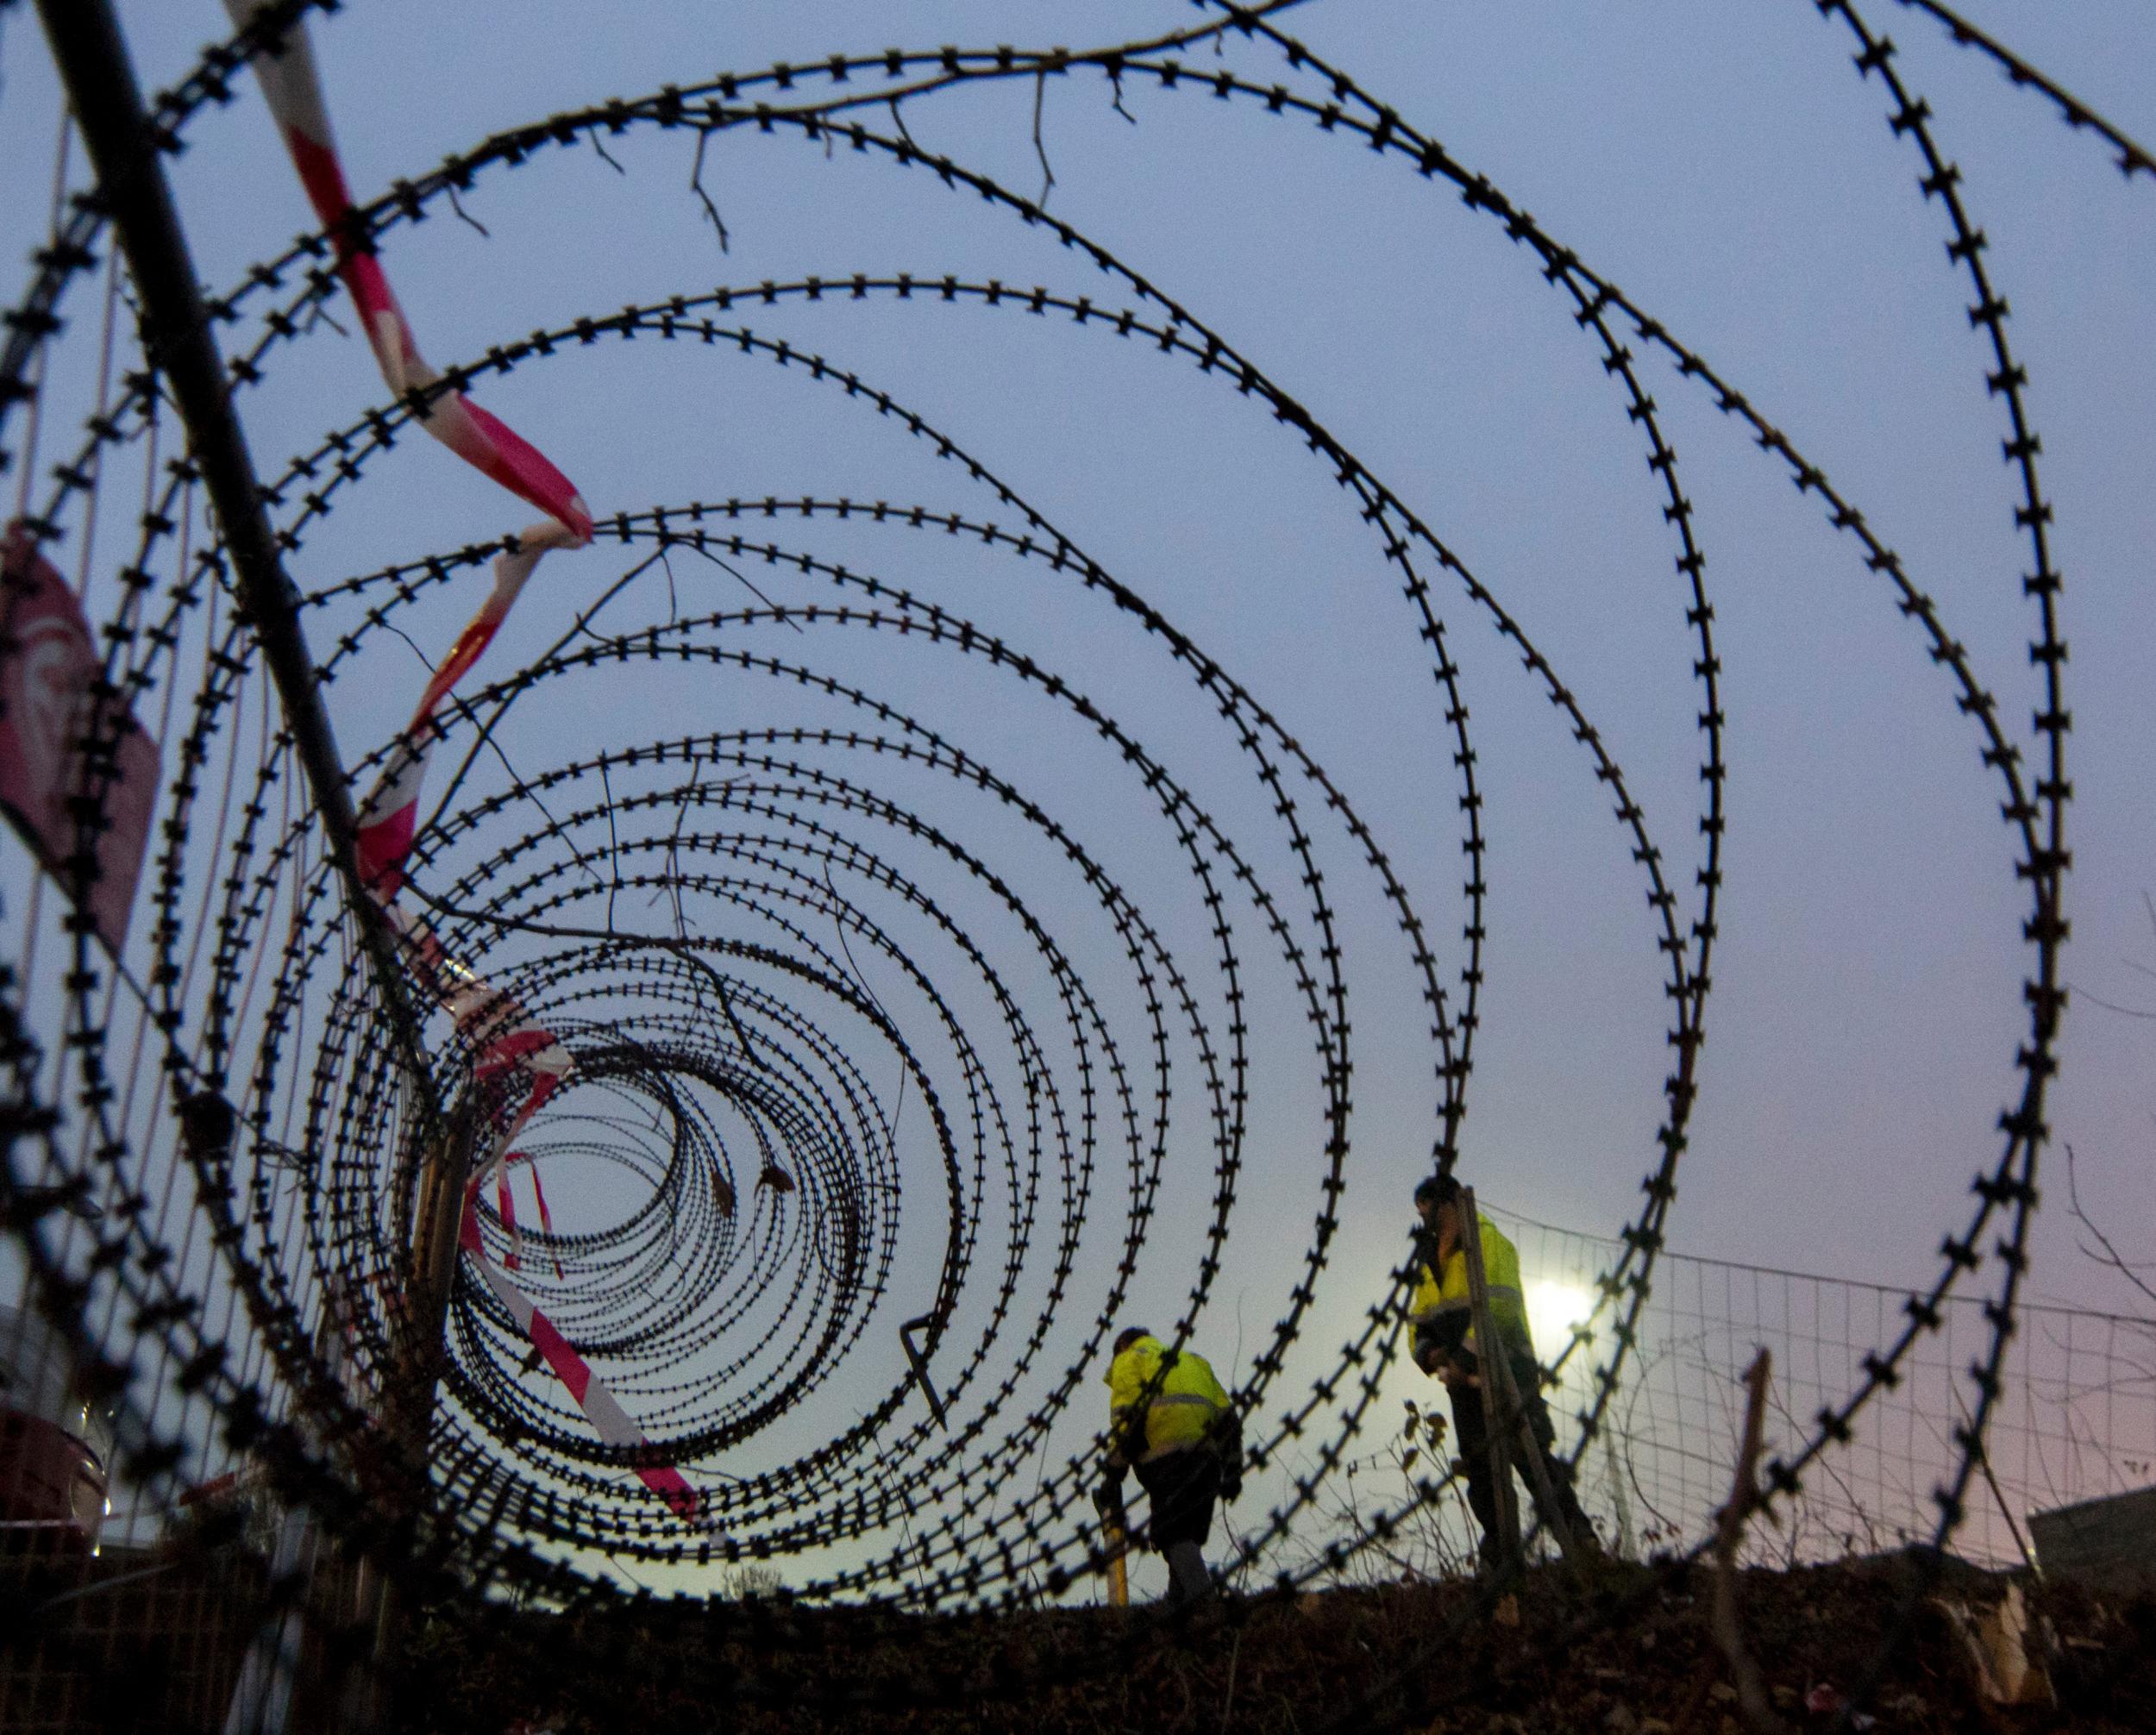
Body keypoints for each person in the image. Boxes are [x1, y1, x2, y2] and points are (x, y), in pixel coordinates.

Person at [1409, 1174, 1596, 1566]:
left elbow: (1500, 1307)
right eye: (1420, 1210)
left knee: (1528, 1453)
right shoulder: (1426, 1263)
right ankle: (1501, 1553)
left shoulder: (1490, 1244)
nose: (1424, 1218)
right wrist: (1428, 1353)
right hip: (1461, 1382)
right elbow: (1417, 1319)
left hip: (1509, 1368)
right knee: (1480, 1464)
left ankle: (1579, 1540)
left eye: (1429, 1209)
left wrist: (1464, 1357)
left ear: (1452, 1205)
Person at [1099, 1325, 1241, 1606]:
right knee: (1187, 1534)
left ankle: (1205, 1606)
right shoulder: (1194, 1361)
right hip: (1207, 1458)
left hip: (1165, 1457)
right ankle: (1178, 1606)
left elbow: (1126, 1420)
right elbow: (1229, 1420)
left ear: (1122, 1346)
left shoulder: (1129, 1360)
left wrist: (1113, 1474)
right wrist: (1233, 1468)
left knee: (1173, 1534)